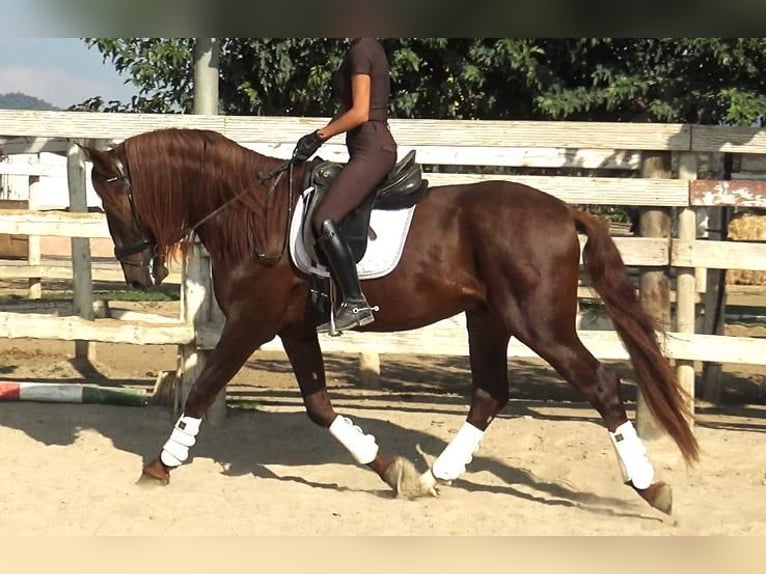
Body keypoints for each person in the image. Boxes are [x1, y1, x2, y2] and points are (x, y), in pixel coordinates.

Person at [292, 38, 397, 333]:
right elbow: (350, 109)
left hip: (373, 149)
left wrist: (320, 135)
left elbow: (360, 112)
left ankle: (355, 301)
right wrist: (316, 138)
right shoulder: (363, 47)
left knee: (324, 219)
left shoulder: (362, 49)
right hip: (367, 147)